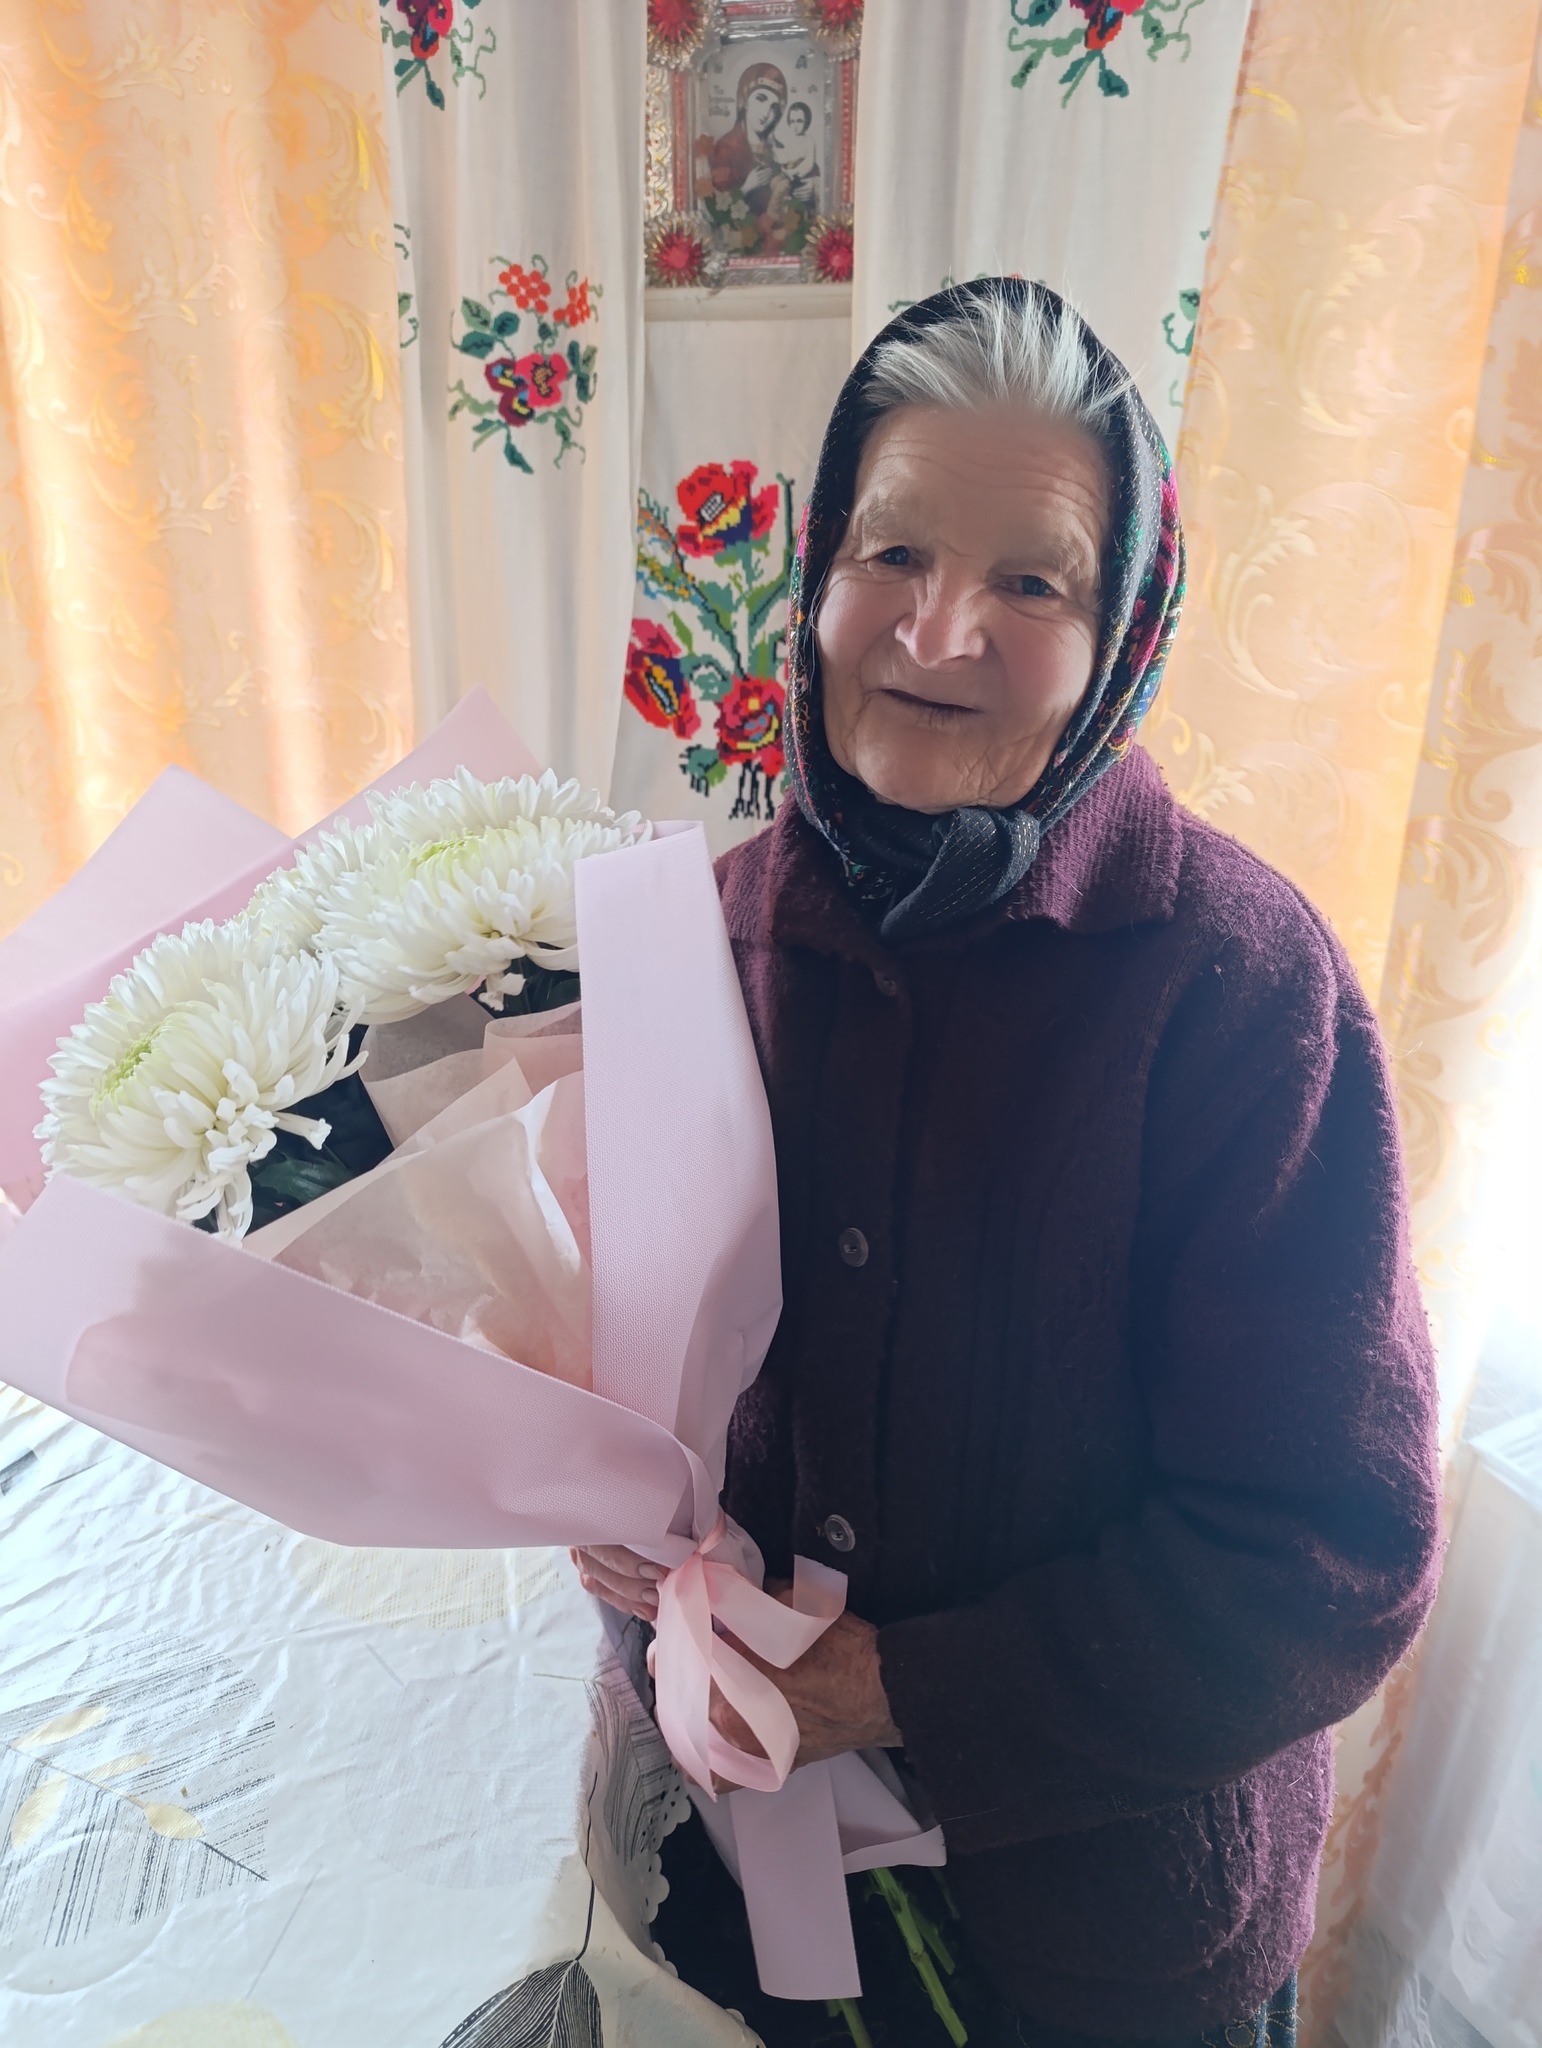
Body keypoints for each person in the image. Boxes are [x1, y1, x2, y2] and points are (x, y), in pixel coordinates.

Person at [574, 279, 1442, 2047]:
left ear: (1123, 630)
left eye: (1031, 584)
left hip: (1096, 1948)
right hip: (732, 1866)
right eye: (890, 551)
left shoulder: (1235, 986)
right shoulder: (700, 933)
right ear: (814, 573)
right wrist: (607, 1515)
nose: (939, 628)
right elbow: (618, 1352)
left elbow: (1330, 1545)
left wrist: (892, 1687)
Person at [707, 60, 789, 215]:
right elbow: (716, 211)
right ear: (744, 99)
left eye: (774, 107)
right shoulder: (726, 148)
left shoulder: (773, 149)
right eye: (761, 99)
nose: (766, 113)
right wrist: (747, 187)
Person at [773, 98, 820, 209]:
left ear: (806, 121)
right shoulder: (789, 140)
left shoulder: (808, 140)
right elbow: (784, 157)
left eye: (799, 121)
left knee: (800, 200)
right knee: (776, 185)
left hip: (802, 176)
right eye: (792, 121)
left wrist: (795, 172)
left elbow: (809, 163)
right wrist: (776, 153)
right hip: (789, 174)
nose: (795, 125)